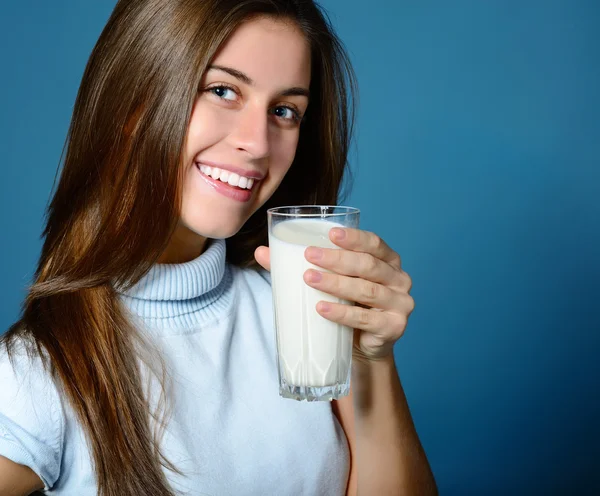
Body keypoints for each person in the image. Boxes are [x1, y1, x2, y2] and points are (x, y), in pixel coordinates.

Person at [0, 1, 437, 495]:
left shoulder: (304, 310)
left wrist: (371, 360)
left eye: (284, 111)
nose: (258, 143)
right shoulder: (39, 373)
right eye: (223, 90)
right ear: (131, 104)